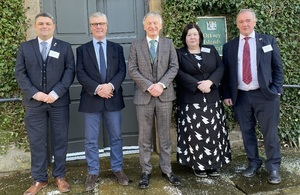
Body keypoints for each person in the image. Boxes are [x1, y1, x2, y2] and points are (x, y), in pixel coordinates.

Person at [222, 9, 284, 184]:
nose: (245, 24)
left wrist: (277, 89)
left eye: (248, 21)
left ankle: (273, 167)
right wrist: (227, 94)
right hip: (241, 96)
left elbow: (278, 68)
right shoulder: (230, 46)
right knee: (247, 132)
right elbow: (226, 74)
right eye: (241, 22)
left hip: (265, 95)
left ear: (255, 22)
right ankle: (254, 163)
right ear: (237, 24)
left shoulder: (268, 41)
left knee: (270, 133)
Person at [15, 13, 75, 194]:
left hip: (59, 102)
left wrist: (56, 93)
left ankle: (60, 176)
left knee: (60, 140)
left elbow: (69, 71)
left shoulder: (64, 47)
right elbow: (20, 73)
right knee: (37, 142)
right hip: (34, 104)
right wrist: (35, 94)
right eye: (40, 23)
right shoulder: (25, 47)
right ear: (35, 26)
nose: (44, 26)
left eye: (48, 23)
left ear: (54, 26)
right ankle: (39, 179)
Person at [76, 12, 129, 191]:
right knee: (91, 140)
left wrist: (110, 86)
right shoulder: (82, 50)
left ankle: (118, 168)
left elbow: (122, 70)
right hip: (91, 100)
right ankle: (93, 171)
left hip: (113, 98)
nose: (98, 27)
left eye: (102, 23)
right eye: (95, 24)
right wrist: (98, 88)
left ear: (107, 25)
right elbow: (80, 73)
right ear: (90, 27)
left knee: (116, 137)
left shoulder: (117, 48)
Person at [128, 12, 181, 189]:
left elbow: (174, 66)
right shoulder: (136, 45)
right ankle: (145, 171)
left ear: (160, 26)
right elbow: (132, 69)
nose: (152, 26)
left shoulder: (168, 43)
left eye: (155, 24)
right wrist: (150, 86)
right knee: (144, 137)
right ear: (144, 26)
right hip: (144, 97)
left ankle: (167, 169)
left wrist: (162, 85)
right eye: (149, 24)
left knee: (165, 135)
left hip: (165, 96)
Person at [176, 23, 231, 178]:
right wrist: (197, 85)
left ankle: (213, 165)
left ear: (200, 36)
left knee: (213, 133)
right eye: (189, 35)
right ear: (184, 38)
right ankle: (198, 165)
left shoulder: (211, 49)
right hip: (190, 100)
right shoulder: (179, 53)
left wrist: (210, 82)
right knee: (195, 134)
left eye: (195, 34)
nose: (192, 37)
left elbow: (220, 68)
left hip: (211, 98)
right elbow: (177, 72)